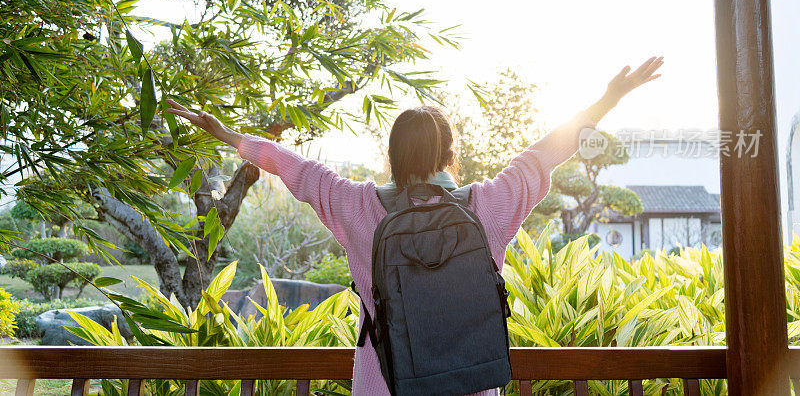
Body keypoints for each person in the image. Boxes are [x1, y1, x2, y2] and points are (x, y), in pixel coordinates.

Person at [166, 56, 663, 395]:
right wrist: (609, 98)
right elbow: (551, 148)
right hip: (470, 384)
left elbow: (293, 166)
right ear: (450, 154)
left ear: (392, 156)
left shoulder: (356, 208)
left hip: (385, 386)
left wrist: (228, 133)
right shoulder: (487, 206)